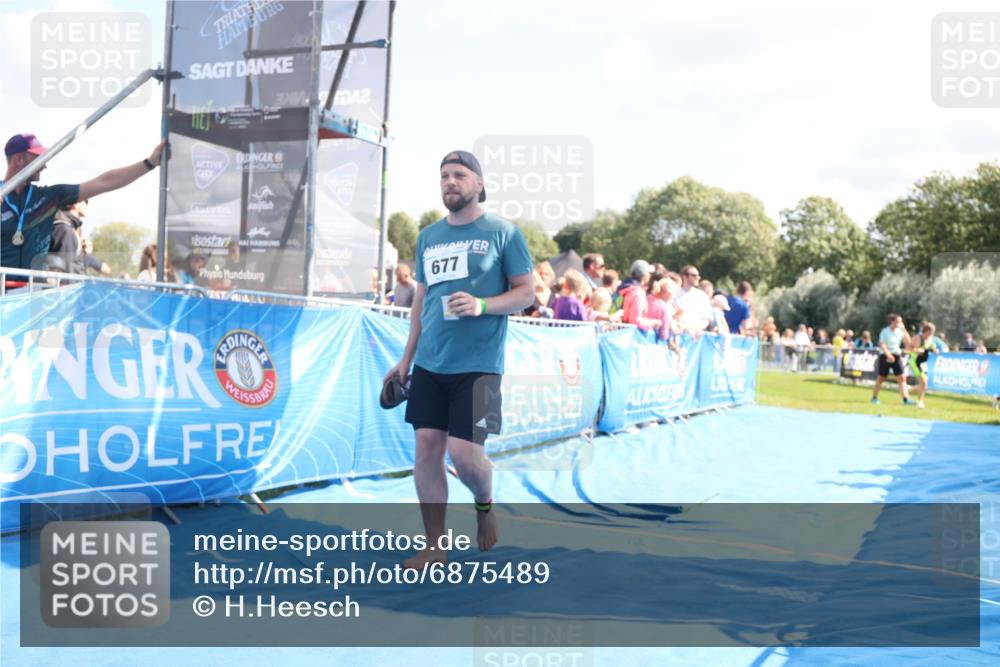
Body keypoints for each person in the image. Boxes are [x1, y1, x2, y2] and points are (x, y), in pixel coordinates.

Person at [384, 150, 533, 569]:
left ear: (479, 184)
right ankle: (435, 545)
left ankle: (484, 502)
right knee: (427, 449)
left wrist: (483, 305)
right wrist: (405, 360)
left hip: (481, 364)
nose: (450, 181)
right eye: (445, 176)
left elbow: (527, 293)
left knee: (465, 456)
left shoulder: (504, 232)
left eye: (460, 175)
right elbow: (422, 301)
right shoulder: (429, 235)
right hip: (431, 362)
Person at [2, 132, 164, 275]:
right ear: (19, 160)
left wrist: (149, 163)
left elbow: (104, 182)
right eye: (39, 159)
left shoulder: (48, 197)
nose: (44, 165)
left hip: (31, 297)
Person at [871, 313, 915, 405]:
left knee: (902, 378)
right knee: (881, 378)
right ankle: (874, 398)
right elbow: (882, 344)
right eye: (898, 321)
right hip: (885, 355)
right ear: (892, 321)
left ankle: (905, 399)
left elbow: (909, 343)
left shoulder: (900, 331)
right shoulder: (885, 331)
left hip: (896, 355)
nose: (900, 323)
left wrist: (904, 330)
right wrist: (888, 355)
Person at [908, 321, 949, 408]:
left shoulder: (930, 339)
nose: (932, 334)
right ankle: (920, 402)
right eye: (931, 332)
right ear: (926, 331)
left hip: (923, 363)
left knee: (924, 383)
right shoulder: (917, 338)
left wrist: (935, 350)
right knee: (924, 382)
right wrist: (917, 350)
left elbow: (932, 346)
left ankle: (908, 391)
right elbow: (909, 348)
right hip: (914, 362)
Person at [675, 265, 712, 334]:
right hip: (679, 333)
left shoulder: (702, 296)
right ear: (685, 277)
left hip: (697, 336)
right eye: (694, 275)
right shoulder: (675, 293)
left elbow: (706, 318)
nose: (698, 278)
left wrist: (697, 328)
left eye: (698, 275)